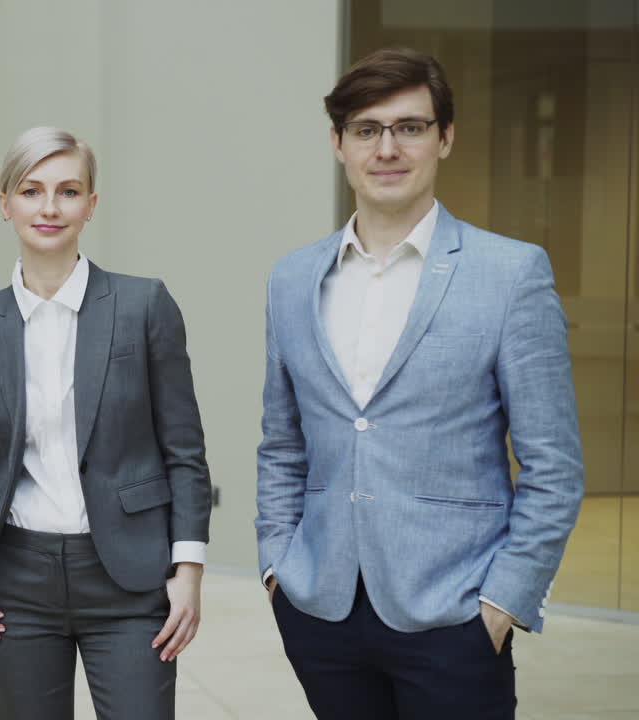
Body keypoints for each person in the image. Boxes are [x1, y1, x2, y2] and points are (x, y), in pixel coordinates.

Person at [255, 47, 584, 719]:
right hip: (321, 612)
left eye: (409, 127)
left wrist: (504, 600)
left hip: (455, 616)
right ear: (338, 143)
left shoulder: (510, 274)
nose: (387, 149)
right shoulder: (293, 278)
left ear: (445, 137)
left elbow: (554, 464)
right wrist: (276, 566)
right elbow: (282, 444)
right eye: (366, 129)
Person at [0, 126, 213, 720]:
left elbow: (184, 452)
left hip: (130, 578)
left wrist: (188, 568)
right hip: (15, 583)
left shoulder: (144, 305)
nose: (49, 207)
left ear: (90, 205)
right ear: (6, 203)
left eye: (67, 191)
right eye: (31, 190)